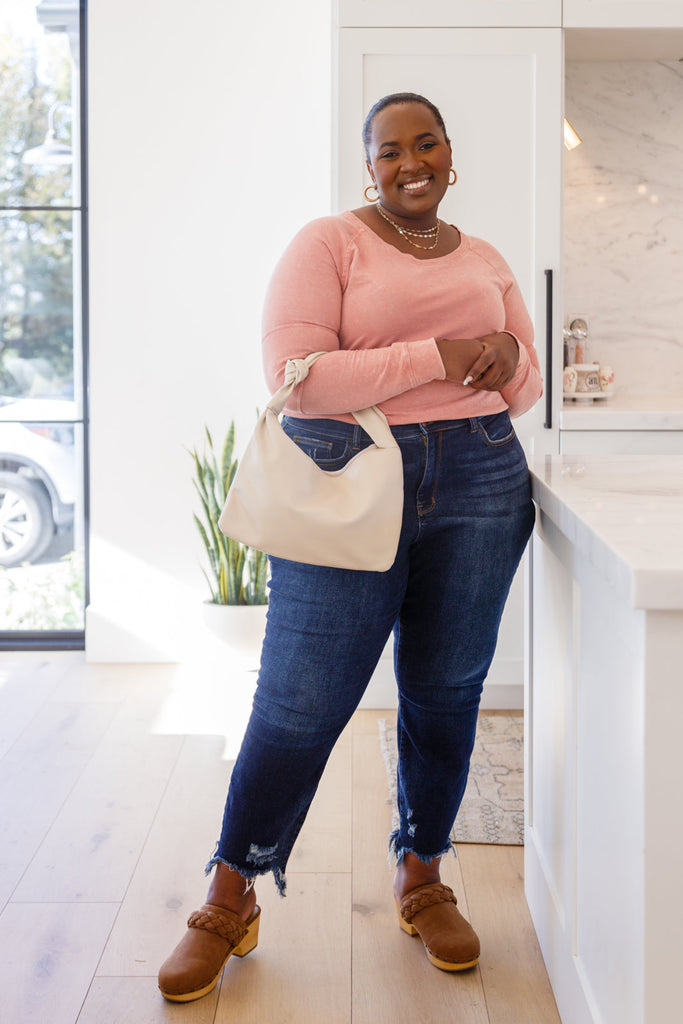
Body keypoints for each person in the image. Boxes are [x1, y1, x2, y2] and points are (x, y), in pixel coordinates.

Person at [158, 91, 542, 1003]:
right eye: (389, 150)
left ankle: (422, 871)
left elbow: (522, 382)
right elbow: (299, 382)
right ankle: (231, 887)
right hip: (349, 477)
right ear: (366, 164)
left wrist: (500, 361)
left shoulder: (485, 255)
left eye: (427, 143)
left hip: (485, 476)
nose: (411, 161)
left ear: (451, 154)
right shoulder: (328, 243)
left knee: (446, 690)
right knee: (298, 700)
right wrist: (443, 354)